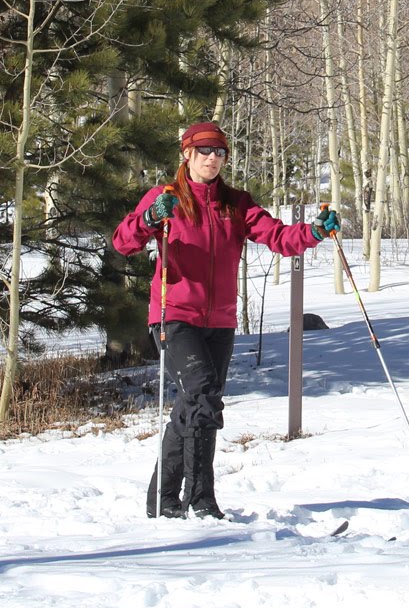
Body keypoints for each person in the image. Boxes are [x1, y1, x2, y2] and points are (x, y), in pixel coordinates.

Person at [113, 121, 341, 519]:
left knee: (195, 404)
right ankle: (201, 501)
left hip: (219, 322)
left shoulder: (235, 203)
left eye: (220, 152)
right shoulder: (166, 199)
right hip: (174, 316)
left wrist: (313, 232)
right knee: (201, 395)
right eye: (205, 151)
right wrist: (150, 217)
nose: (213, 159)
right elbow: (122, 242)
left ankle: (161, 498)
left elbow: (277, 236)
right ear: (187, 154)